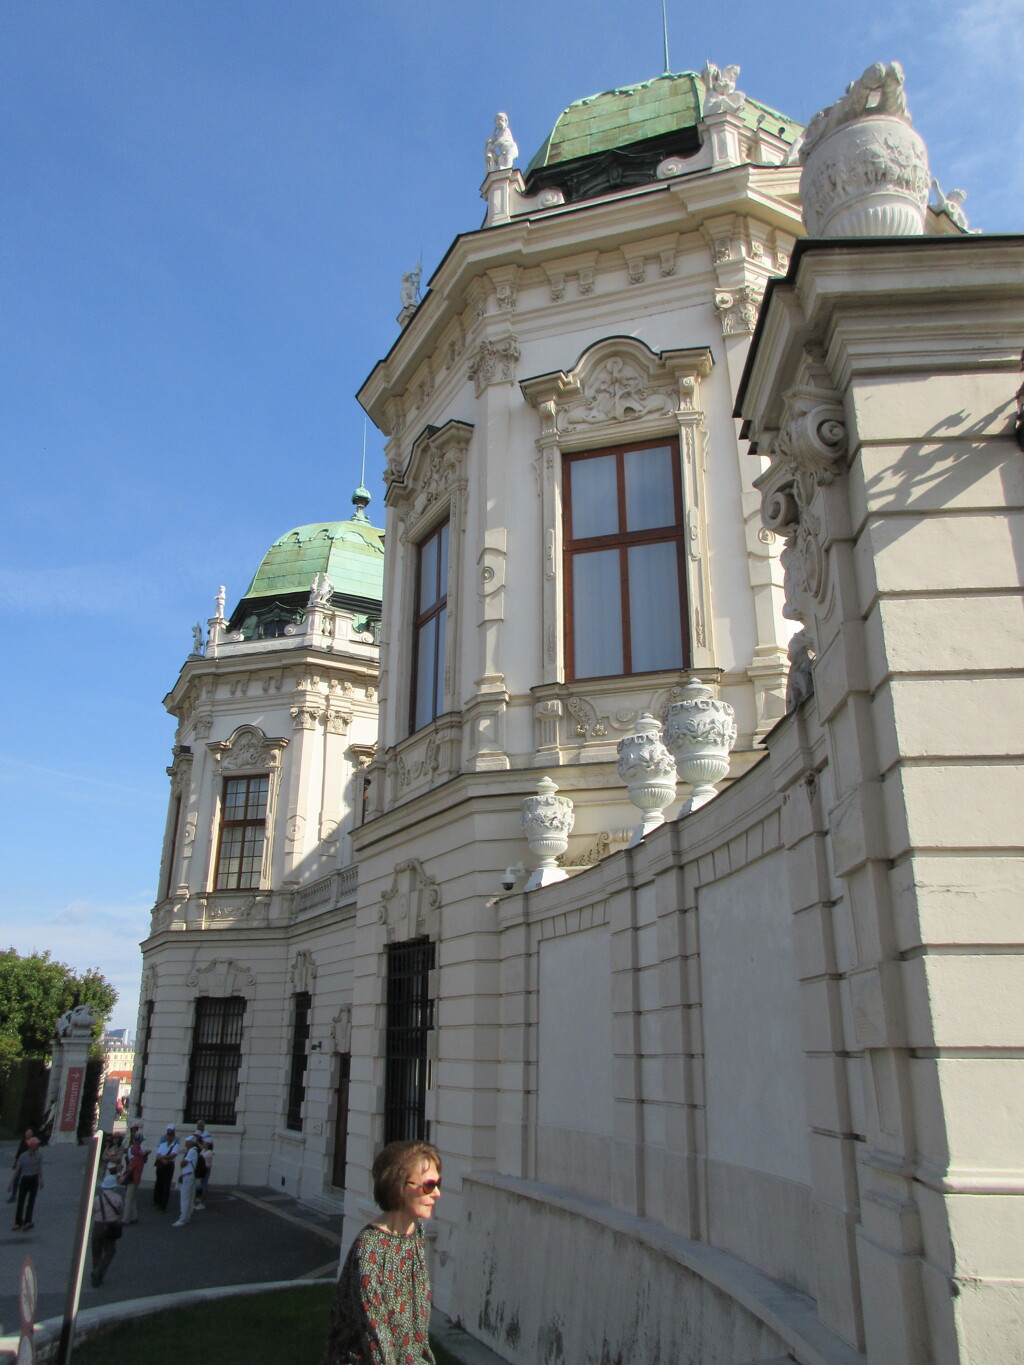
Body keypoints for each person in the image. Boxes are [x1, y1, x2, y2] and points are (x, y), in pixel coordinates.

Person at [320, 1139, 442, 1365]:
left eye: (438, 1184)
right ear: (399, 1186)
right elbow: (376, 1339)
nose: (436, 1194)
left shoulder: (415, 1233)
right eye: (428, 1186)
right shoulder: (368, 1250)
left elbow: (415, 1328)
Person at [90, 1166, 124, 1286]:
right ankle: (100, 1271)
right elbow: (120, 1211)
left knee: (96, 1250)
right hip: (111, 1226)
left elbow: (92, 1212)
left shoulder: (96, 1199)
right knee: (110, 1250)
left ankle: (95, 1270)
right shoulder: (118, 1198)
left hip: (98, 1225)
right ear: (114, 1186)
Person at [12, 1136, 43, 1231]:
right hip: (25, 1179)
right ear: (31, 1145)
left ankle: (28, 1221)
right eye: (36, 1144)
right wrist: (11, 1182)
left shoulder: (39, 1155)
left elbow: (39, 1168)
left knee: (31, 1201)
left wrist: (40, 1180)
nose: (37, 1145)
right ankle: (18, 1222)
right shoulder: (23, 1156)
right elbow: (17, 1169)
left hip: (34, 1179)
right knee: (21, 1201)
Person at [121, 1123, 149, 1223]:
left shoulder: (136, 1157)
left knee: (128, 1199)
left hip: (132, 1178)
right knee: (132, 1198)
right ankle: (134, 1216)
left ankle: (126, 1219)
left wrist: (123, 1174)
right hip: (136, 1178)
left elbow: (130, 1168)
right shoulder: (141, 1156)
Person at [172, 1135, 198, 1226]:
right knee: (189, 1197)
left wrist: (181, 1163)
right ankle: (187, 1216)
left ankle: (183, 1218)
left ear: (191, 1142)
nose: (186, 1143)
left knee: (185, 1198)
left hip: (187, 1176)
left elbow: (183, 1163)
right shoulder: (193, 1151)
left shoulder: (191, 1151)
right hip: (189, 1176)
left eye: (187, 1141)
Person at [153, 1124, 179, 1211]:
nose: (169, 1137)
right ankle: (157, 1201)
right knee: (159, 1183)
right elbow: (158, 1155)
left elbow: (172, 1155)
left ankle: (163, 1204)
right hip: (161, 1165)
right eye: (168, 1135)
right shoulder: (162, 1144)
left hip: (169, 1165)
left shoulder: (175, 1145)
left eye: (171, 1135)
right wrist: (163, 1158)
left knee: (166, 1185)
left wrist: (162, 1157)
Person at [6, 1128, 33, 1205]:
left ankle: (27, 1195)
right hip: (20, 1163)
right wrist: (15, 1162)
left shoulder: (32, 1143)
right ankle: (14, 1195)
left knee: (27, 1180)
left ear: (32, 1134)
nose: (27, 1134)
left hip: (27, 1165)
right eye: (27, 1132)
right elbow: (19, 1152)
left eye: (29, 1133)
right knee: (16, 1179)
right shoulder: (22, 1141)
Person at [194, 1134, 213, 1209]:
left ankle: (202, 1203)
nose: (203, 1143)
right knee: (200, 1185)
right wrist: (197, 1142)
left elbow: (201, 1157)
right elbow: (201, 1148)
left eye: (204, 1142)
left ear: (208, 1143)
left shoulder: (209, 1153)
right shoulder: (205, 1150)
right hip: (203, 1169)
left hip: (205, 1170)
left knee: (204, 1186)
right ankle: (200, 1200)